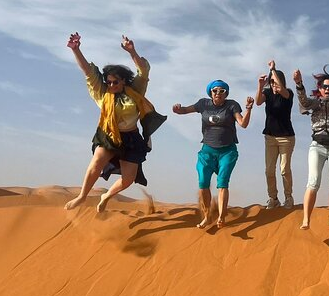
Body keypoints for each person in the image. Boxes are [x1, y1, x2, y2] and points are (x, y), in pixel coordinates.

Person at [64, 33, 166, 212]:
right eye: (108, 82)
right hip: (109, 135)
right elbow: (88, 71)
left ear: (124, 81)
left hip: (132, 138)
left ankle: (106, 196)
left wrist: (132, 52)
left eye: (115, 82)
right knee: (97, 162)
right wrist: (76, 49)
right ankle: (82, 196)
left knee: (128, 179)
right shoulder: (103, 94)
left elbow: (143, 71)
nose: (111, 85)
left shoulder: (135, 90)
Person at [172, 81, 253, 228]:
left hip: (227, 151)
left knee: (222, 183)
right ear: (210, 92)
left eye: (222, 91)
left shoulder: (231, 105)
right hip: (207, 151)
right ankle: (207, 215)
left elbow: (243, 123)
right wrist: (178, 109)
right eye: (215, 90)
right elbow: (185, 110)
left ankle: (221, 217)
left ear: (226, 93)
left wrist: (248, 109)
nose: (218, 93)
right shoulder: (203, 104)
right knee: (203, 183)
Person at [293, 52, 329, 229]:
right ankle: (306, 219)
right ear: (319, 89)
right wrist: (298, 84)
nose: (327, 89)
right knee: (313, 182)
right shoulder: (313, 103)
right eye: (324, 86)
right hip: (317, 147)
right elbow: (302, 100)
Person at [255, 60, 296, 209]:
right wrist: (260, 85)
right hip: (270, 137)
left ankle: (288, 197)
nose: (273, 85)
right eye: (271, 82)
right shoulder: (267, 93)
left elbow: (281, 89)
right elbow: (258, 102)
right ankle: (273, 198)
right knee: (269, 170)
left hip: (286, 138)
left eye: (274, 82)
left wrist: (273, 70)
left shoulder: (288, 94)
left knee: (284, 169)